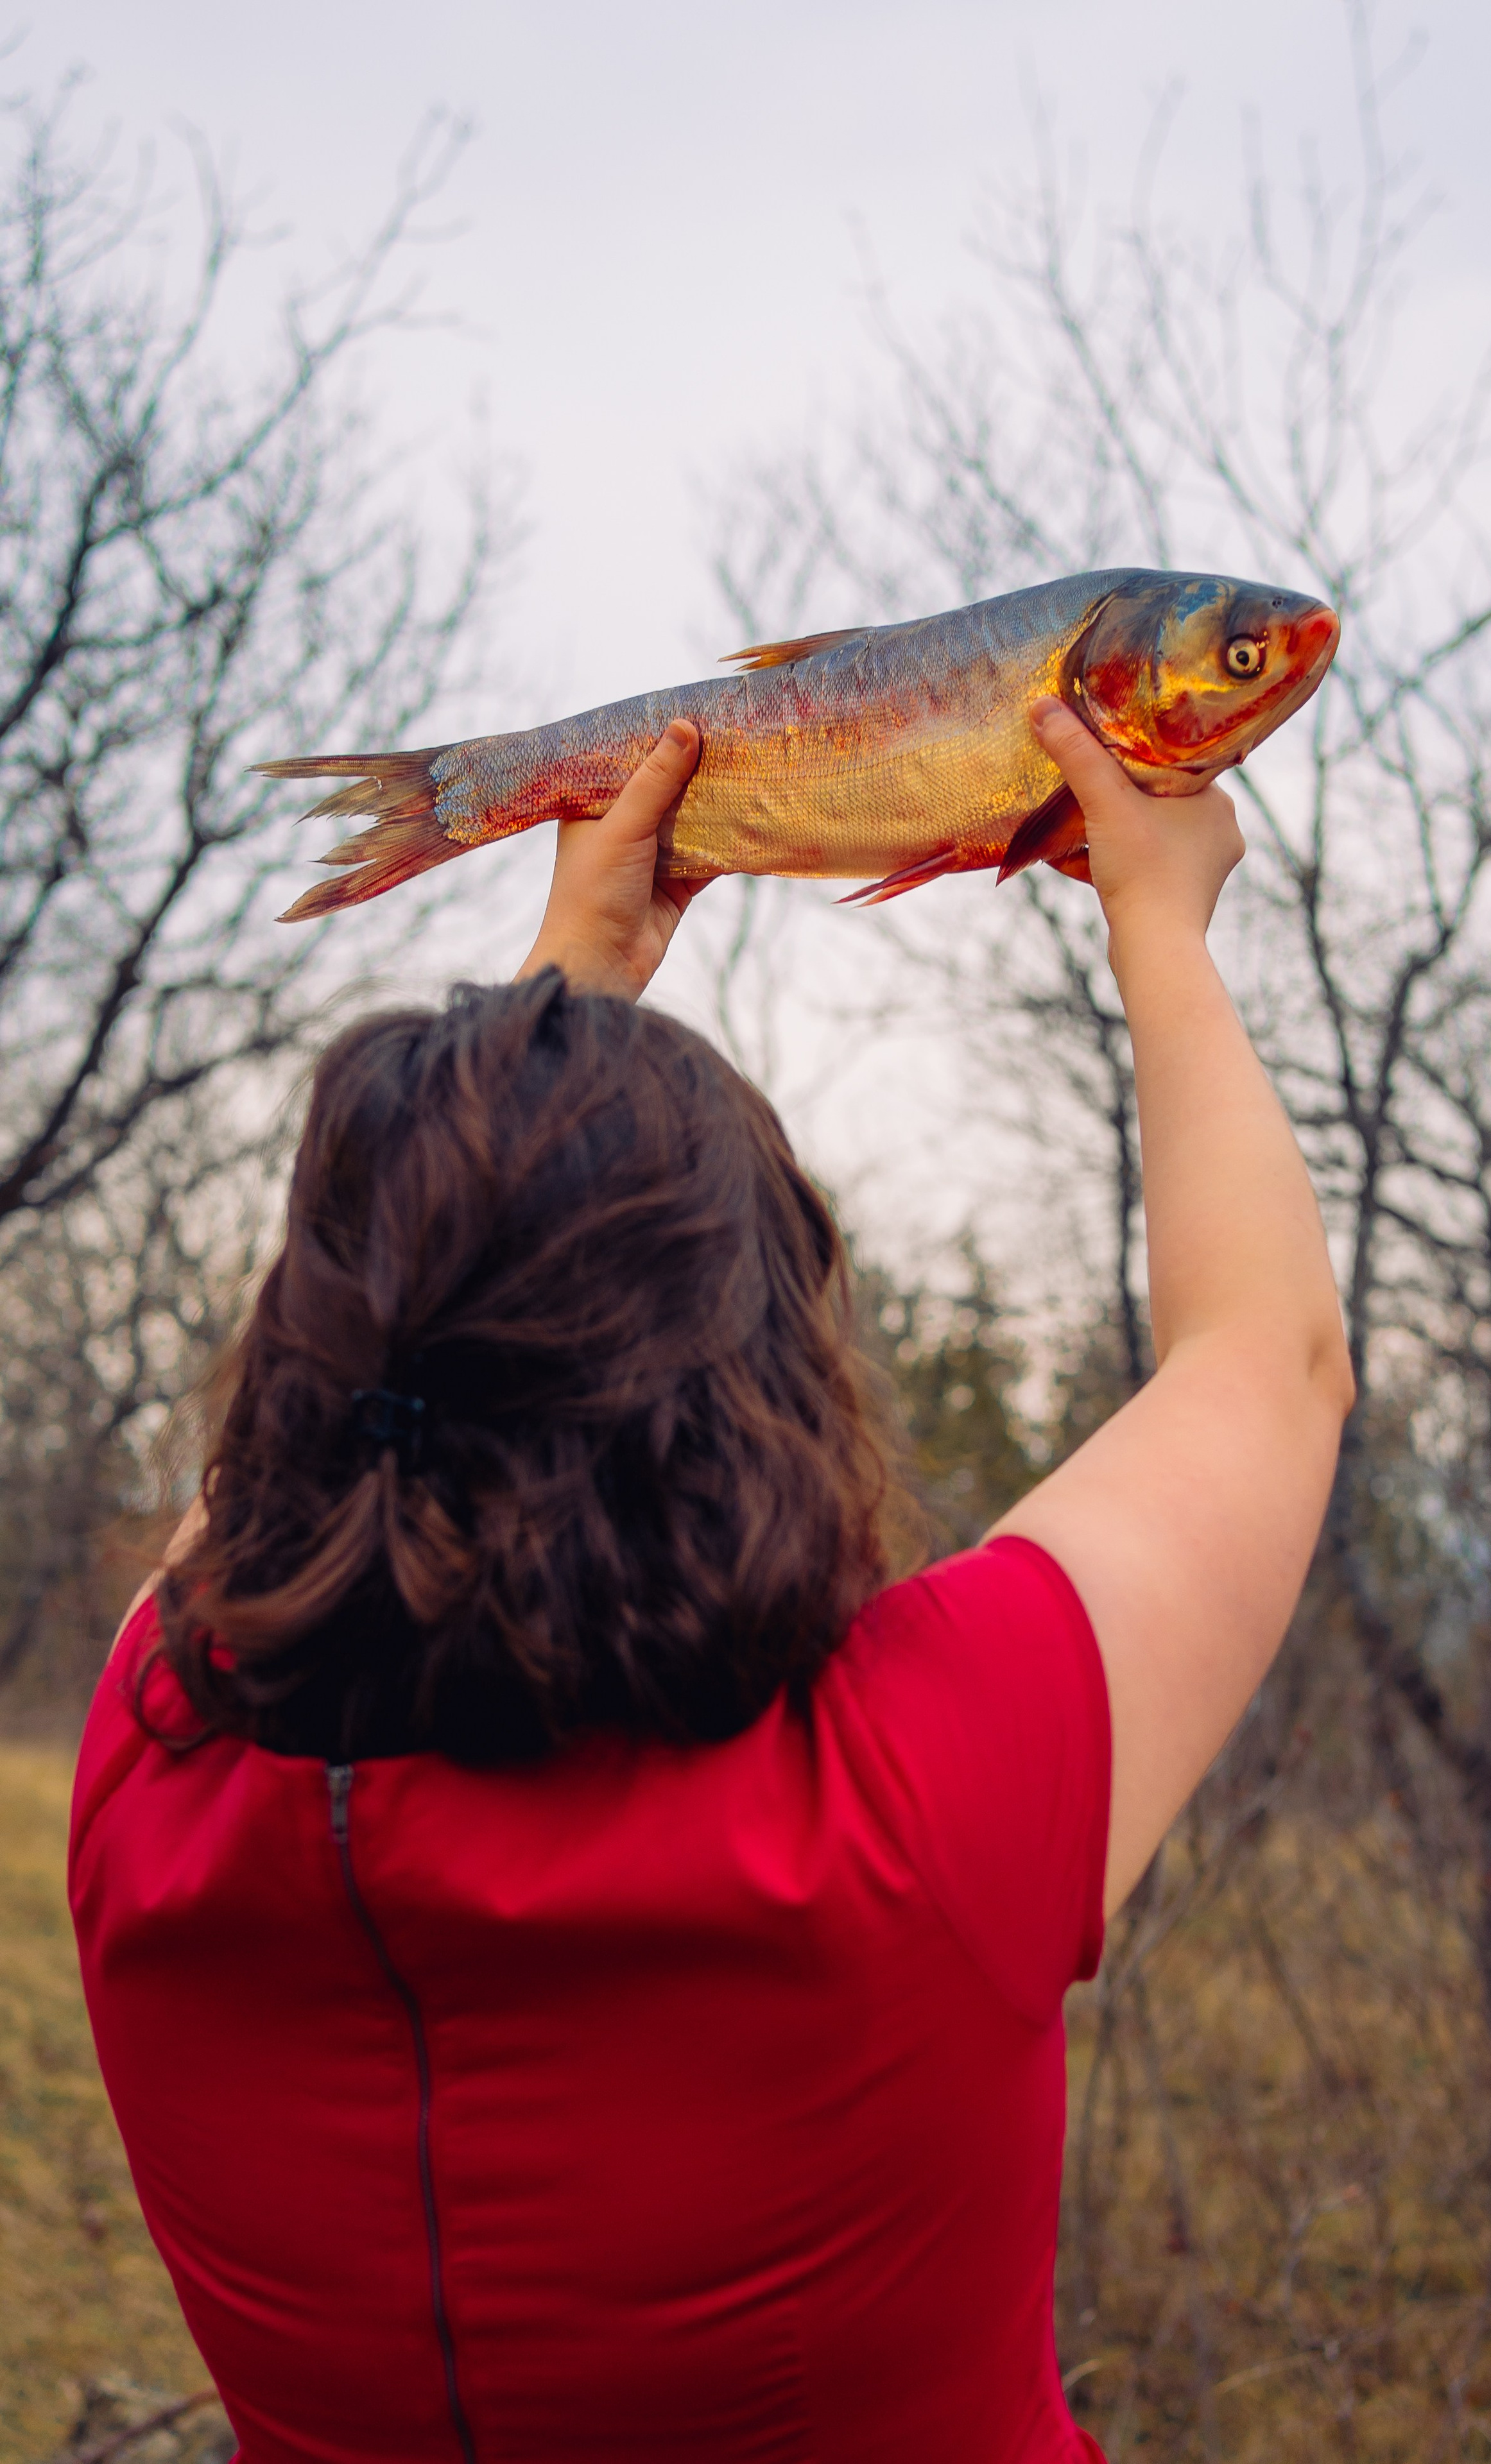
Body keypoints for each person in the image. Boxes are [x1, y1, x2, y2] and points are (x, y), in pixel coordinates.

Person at [69, 703, 1352, 2464]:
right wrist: (1161, 924)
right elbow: (1266, 1361)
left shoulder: (151, 1771)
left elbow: (312, 1439)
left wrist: (562, 990)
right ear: (763, 1368)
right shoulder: (918, 1795)